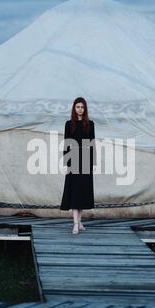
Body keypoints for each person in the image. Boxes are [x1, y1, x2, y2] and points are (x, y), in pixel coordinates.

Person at [60, 97, 96, 234]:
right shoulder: (69, 124)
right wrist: (66, 163)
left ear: (85, 108)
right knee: (74, 192)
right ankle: (75, 223)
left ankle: (80, 221)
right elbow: (66, 143)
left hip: (86, 160)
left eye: (82, 107)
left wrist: (93, 162)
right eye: (77, 107)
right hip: (73, 160)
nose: (80, 109)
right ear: (74, 109)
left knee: (82, 192)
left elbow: (92, 143)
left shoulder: (90, 124)